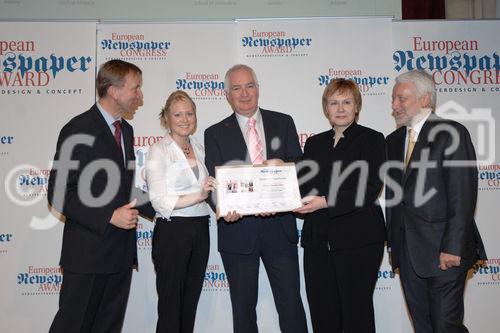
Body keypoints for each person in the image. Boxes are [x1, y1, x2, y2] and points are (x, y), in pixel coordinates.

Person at [47, 59, 155, 332]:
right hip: (87, 257)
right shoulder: (77, 129)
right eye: (136, 88)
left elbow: (127, 187)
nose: (140, 95)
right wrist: (109, 215)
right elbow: (59, 193)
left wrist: (169, 208)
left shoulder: (126, 131)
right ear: (114, 91)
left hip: (119, 255)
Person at [204, 64, 307, 333]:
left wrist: (282, 164)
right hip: (237, 232)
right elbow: (215, 185)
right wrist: (223, 208)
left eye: (250, 85)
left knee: (291, 306)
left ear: (258, 89)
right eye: (236, 88)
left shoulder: (283, 122)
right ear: (226, 95)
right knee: (243, 311)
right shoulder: (214, 133)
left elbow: (300, 166)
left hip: (280, 229)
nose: (245, 93)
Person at [385, 69, 487, 333]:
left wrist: (452, 247)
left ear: (425, 99)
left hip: (445, 251)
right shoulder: (393, 141)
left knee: (445, 326)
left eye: (401, 99)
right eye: (394, 99)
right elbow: (394, 197)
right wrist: (394, 248)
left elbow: (462, 195)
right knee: (423, 326)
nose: (394, 105)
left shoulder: (451, 133)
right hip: (408, 254)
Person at [294, 78, 386, 332]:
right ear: (326, 109)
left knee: (357, 314)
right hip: (317, 242)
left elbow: (367, 189)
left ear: (357, 106)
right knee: (322, 314)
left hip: (359, 241)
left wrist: (324, 202)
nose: (341, 108)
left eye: (347, 102)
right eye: (334, 103)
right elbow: (302, 185)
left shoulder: (372, 139)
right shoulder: (314, 143)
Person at [146, 90, 215, 333]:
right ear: (166, 118)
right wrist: (199, 196)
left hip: (200, 230)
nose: (184, 119)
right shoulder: (159, 150)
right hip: (172, 231)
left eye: (189, 113)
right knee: (170, 306)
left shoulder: (200, 147)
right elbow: (158, 200)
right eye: (178, 114)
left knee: (189, 304)